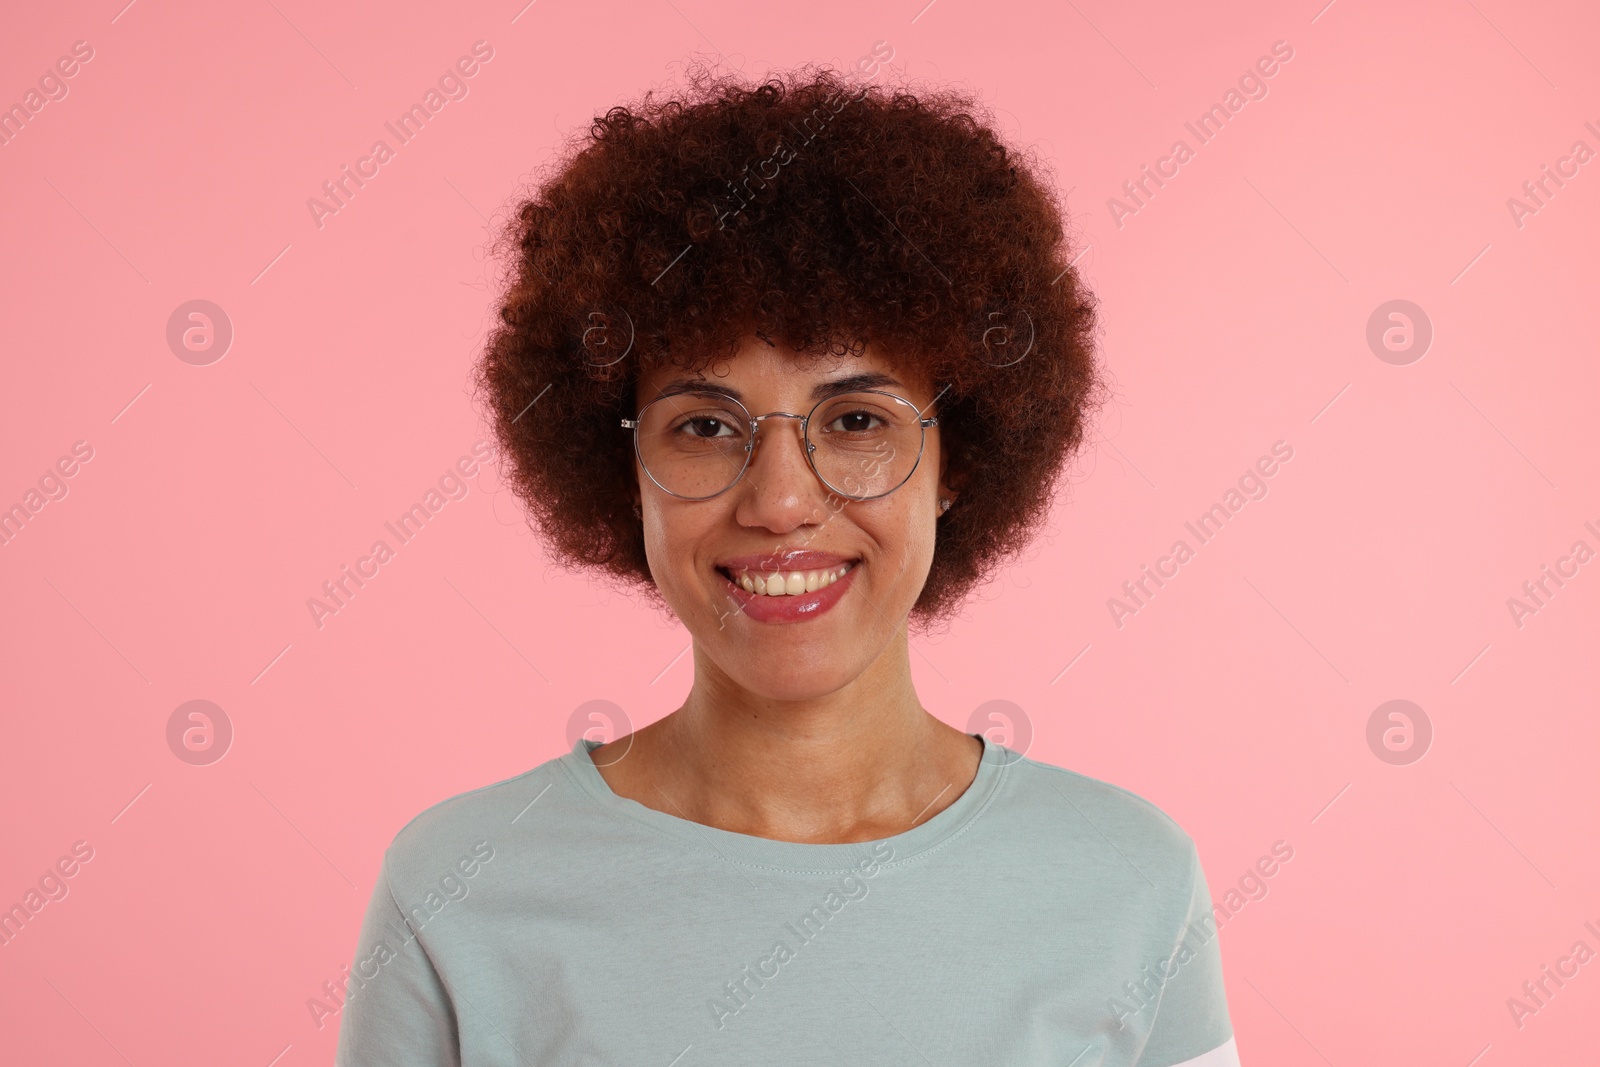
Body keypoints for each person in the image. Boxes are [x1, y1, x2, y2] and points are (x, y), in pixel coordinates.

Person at [336, 61, 1240, 1066]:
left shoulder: (1124, 881)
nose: (778, 501)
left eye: (855, 420)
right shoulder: (460, 887)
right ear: (618, 461)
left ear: (958, 459)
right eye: (706, 425)